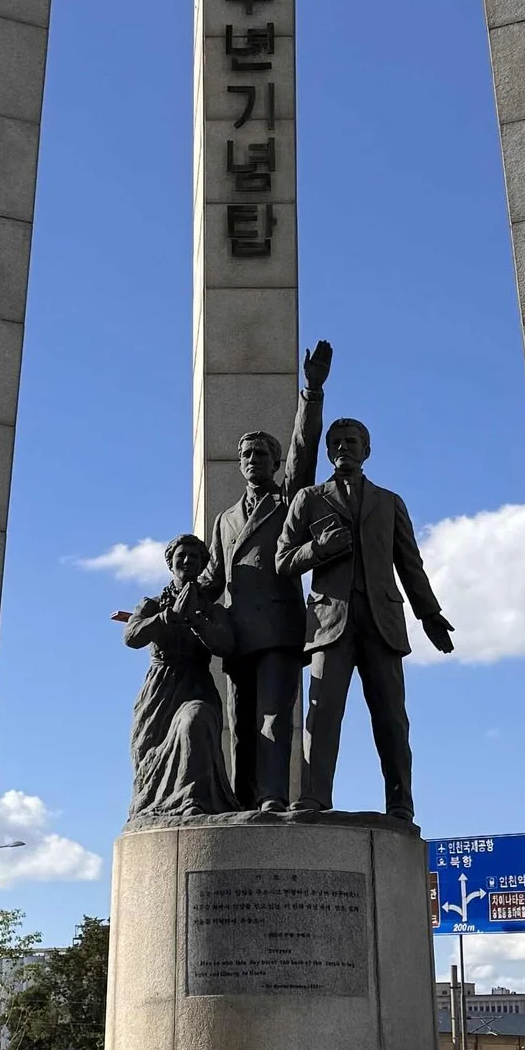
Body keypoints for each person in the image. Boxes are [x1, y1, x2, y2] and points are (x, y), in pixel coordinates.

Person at [282, 412, 453, 822]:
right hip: (329, 624)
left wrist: (429, 613)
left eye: (351, 442)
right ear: (326, 451)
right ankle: (314, 797)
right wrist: (318, 550)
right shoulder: (308, 499)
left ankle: (400, 802)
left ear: (367, 450)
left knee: (392, 719)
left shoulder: (390, 502)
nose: (343, 448)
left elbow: (410, 565)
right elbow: (283, 559)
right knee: (321, 715)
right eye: (336, 442)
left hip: (382, 622)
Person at [203, 339, 330, 809]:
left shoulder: (288, 501)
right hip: (238, 637)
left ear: (275, 464)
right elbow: (212, 579)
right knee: (240, 723)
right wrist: (168, 606)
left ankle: (273, 798)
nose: (254, 461)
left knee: (274, 719)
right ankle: (242, 801)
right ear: (239, 465)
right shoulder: (224, 519)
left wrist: (311, 393)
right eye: (248, 455)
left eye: (262, 455)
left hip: (278, 630)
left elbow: (304, 449)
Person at [115, 535, 236, 819]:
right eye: (181, 555)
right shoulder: (152, 604)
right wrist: (169, 616)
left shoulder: (212, 609)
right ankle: (156, 803)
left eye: (194, 557)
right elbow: (132, 636)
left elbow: (226, 644)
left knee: (196, 719)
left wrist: (198, 622)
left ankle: (192, 799)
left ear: (202, 564)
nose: (187, 561)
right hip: (160, 694)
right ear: (170, 562)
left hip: (196, 686)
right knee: (150, 758)